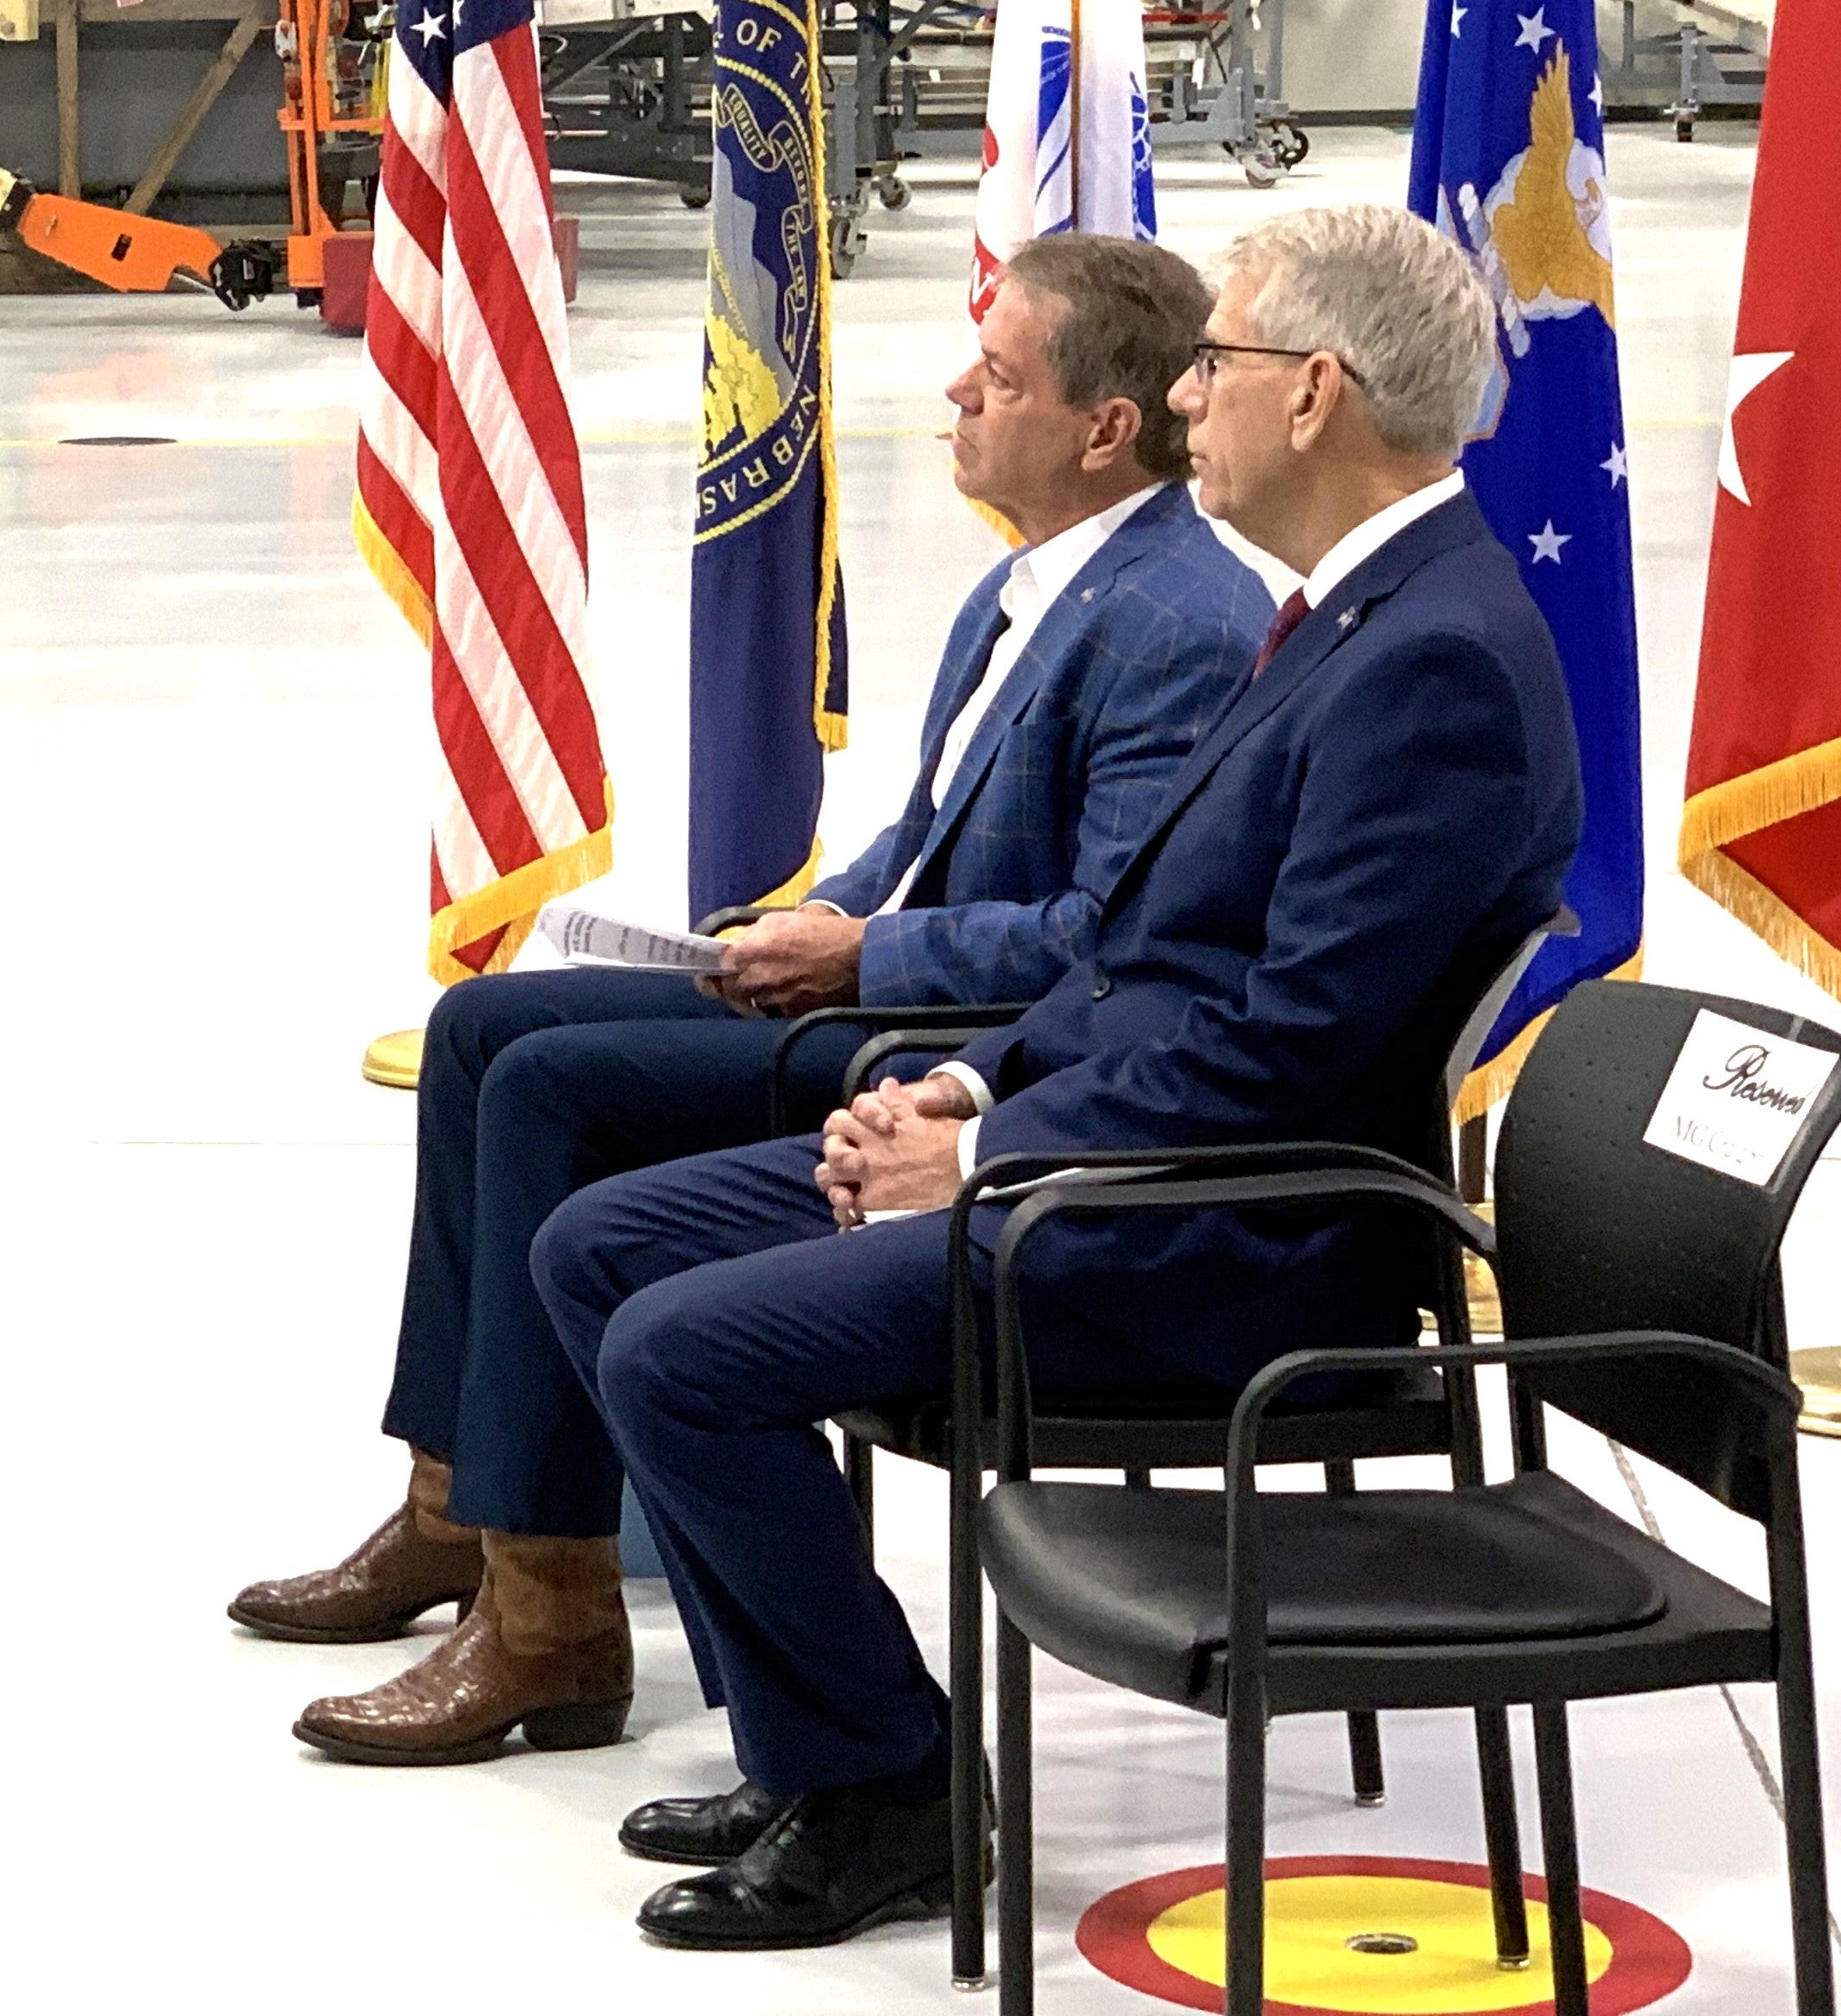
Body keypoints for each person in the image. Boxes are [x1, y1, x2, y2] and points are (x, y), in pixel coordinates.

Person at [533, 202, 1579, 1951]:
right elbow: (1144, 959)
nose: (1186, 403)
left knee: (675, 1346)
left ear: (1314, 392)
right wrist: (955, 1094)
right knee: (600, 1249)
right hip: (1109, 1151)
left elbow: (1292, 1052)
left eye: (1217, 365)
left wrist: (997, 1151)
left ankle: (893, 1783)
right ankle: (825, 1739)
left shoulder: (1431, 662)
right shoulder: (1344, 614)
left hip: (1225, 1235)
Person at [232, 233, 1277, 1766]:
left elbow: (1099, 942)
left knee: (548, 1086)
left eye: (997, 376)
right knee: (480, 1030)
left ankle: (550, 1616)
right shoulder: (1033, 585)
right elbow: (926, 839)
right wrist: (830, 910)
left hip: (945, 1049)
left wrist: (864, 960)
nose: (956, 394)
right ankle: (459, 1507)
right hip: (875, 985)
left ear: (1105, 427)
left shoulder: (1173, 622)